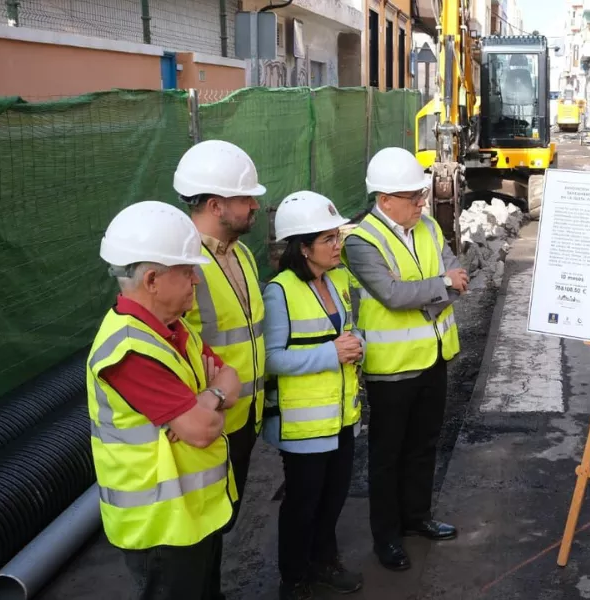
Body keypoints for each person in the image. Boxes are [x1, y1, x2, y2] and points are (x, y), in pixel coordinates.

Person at [87, 201, 242, 600]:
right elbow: (203, 430)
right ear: (153, 279)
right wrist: (211, 403)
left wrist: (208, 397)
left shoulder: (172, 329)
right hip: (161, 528)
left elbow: (231, 378)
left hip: (193, 514)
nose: (197, 280)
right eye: (188, 271)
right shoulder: (129, 351)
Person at [342, 147, 469, 571]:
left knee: (424, 445)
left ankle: (418, 518)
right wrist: (439, 288)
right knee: (387, 455)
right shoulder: (362, 242)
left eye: (421, 195)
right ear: (384, 201)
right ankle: (387, 537)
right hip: (393, 370)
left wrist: (432, 290)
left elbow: (459, 276)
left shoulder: (429, 227)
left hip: (433, 358)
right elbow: (392, 296)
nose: (422, 202)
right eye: (413, 197)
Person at [173, 139, 268, 597]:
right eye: (246, 198)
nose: (254, 206)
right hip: (205, 426)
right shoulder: (183, 265)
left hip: (243, 419)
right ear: (215, 204)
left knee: (222, 522)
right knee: (199, 530)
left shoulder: (242, 255)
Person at [262, 191, 365, 599]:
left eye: (337, 237)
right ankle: (295, 577)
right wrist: (330, 354)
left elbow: (349, 333)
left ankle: (325, 562)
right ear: (303, 248)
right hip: (304, 425)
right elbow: (272, 359)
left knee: (333, 498)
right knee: (303, 505)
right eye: (329, 240)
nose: (338, 245)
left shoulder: (336, 279)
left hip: (341, 416)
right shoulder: (280, 292)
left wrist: (358, 345)